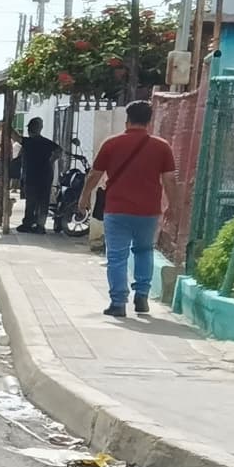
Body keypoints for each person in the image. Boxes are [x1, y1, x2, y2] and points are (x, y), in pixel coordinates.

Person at [78, 100, 178, 317]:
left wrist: (84, 197)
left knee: (117, 256)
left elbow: (94, 174)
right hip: (148, 211)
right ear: (149, 120)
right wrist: (173, 206)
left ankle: (118, 302)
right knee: (144, 251)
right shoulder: (162, 146)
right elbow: (170, 180)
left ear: (127, 118)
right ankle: (142, 296)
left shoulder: (112, 144)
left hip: (117, 209)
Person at [16, 116, 61, 233]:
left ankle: (28, 224)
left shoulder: (28, 141)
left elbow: (14, 137)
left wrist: (7, 125)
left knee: (31, 201)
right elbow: (59, 151)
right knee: (43, 201)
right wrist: (51, 161)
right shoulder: (46, 142)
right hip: (46, 175)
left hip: (32, 176)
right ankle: (40, 226)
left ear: (30, 129)